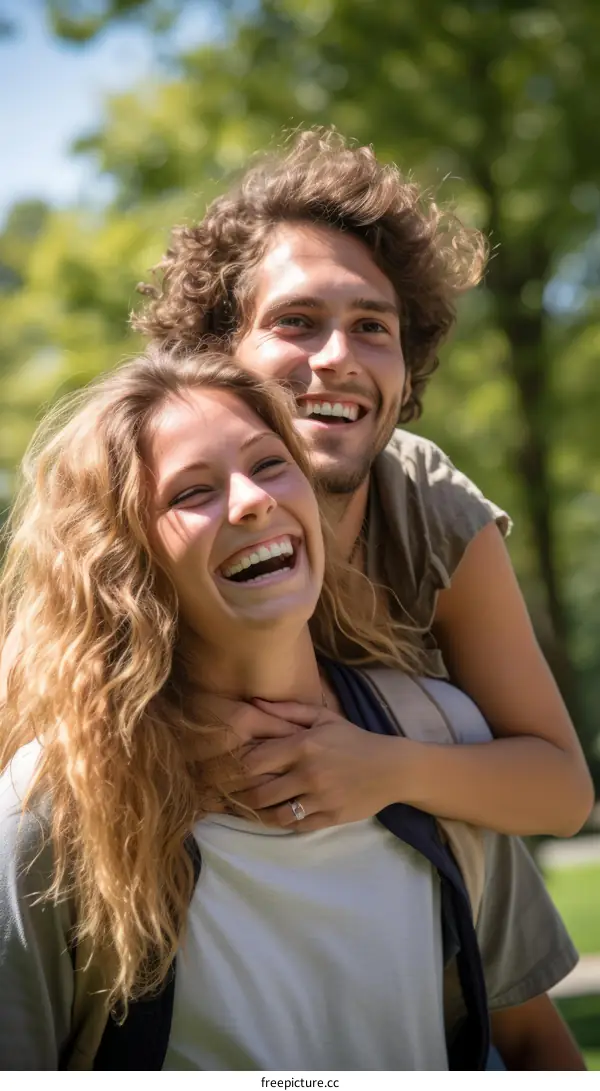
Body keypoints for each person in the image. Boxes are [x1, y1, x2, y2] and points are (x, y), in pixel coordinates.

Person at [0, 350, 583, 1070]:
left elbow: (526, 1038)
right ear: (126, 566)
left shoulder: (439, 735)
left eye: (271, 464)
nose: (250, 500)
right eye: (191, 493)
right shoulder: (57, 808)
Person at [131, 127, 594, 837]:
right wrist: (157, 729)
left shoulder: (428, 505)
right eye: (297, 321)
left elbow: (562, 793)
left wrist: (387, 768)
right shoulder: (136, 489)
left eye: (373, 326)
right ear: (215, 354)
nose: (338, 357)